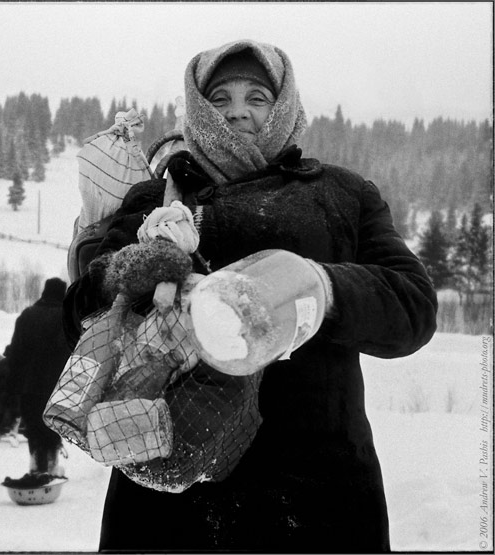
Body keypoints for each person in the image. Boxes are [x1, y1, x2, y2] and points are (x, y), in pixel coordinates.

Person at [63, 39, 438, 552]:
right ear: (198, 108)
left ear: (282, 105)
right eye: (220, 98)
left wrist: (318, 288)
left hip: (314, 495)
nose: (238, 112)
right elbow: (81, 313)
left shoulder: (342, 194)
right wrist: (129, 270)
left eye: (257, 97)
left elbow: (413, 307)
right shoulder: (156, 197)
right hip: (170, 497)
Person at [7, 277, 72, 477]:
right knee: (52, 425)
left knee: (34, 426)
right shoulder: (66, 317)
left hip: (29, 384)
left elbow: (15, 352)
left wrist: (12, 385)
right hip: (56, 386)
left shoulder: (27, 315)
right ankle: (51, 467)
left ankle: (36, 465)